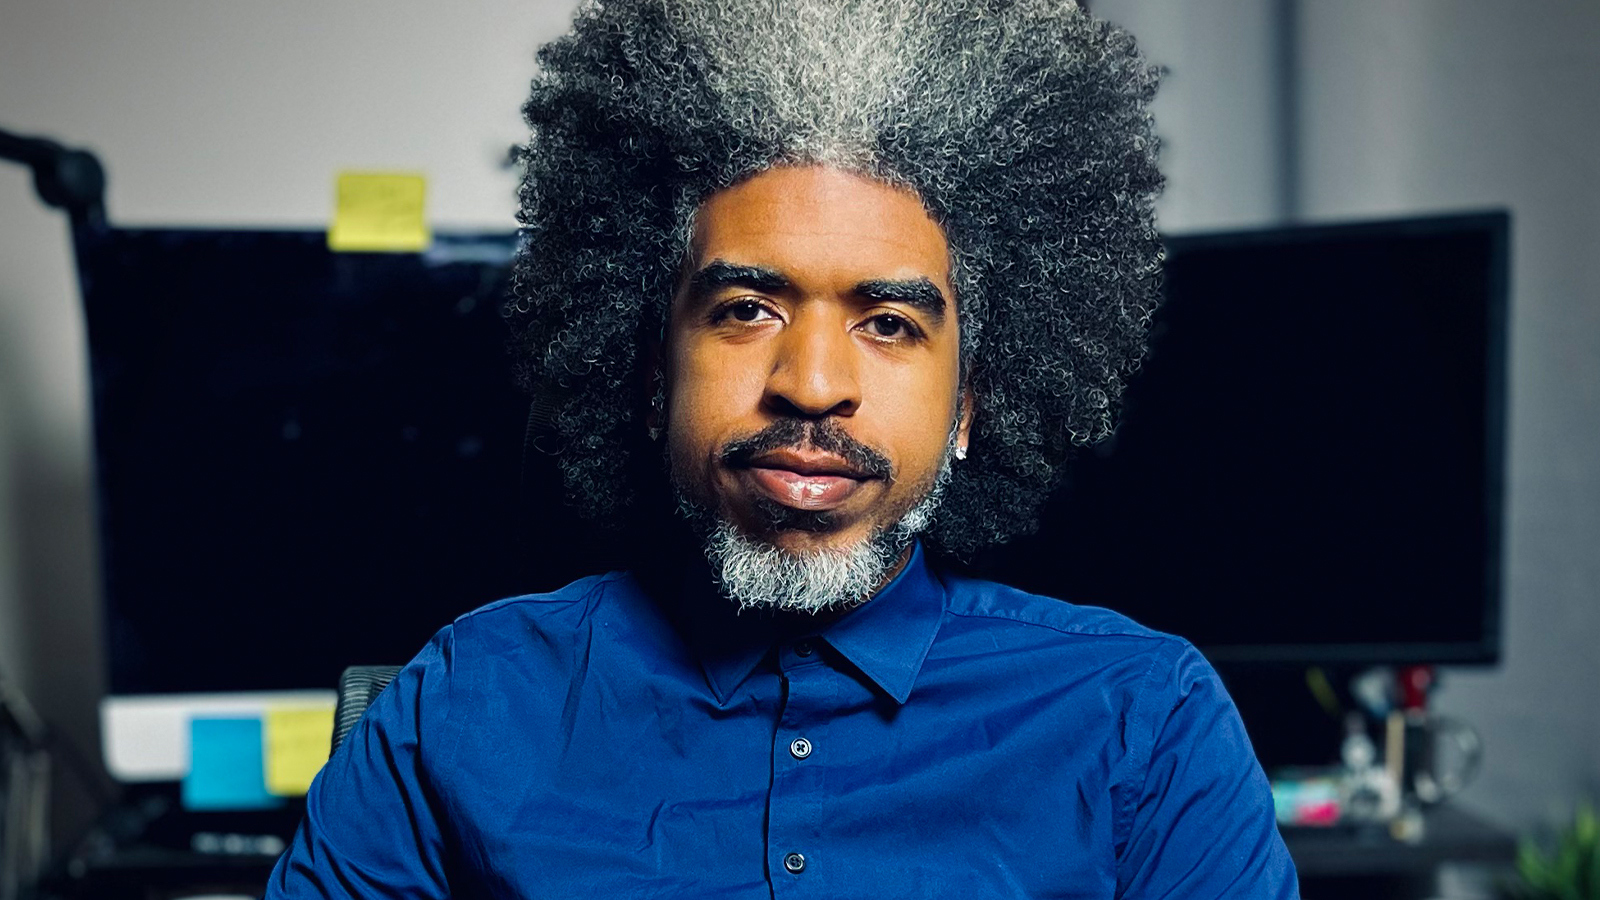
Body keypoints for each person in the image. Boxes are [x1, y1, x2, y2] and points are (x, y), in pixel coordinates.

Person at [267, 0, 1299, 896]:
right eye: (747, 309)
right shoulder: (461, 701)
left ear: (971, 405)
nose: (811, 384)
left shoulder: (1144, 722)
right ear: (650, 371)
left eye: (888, 323)